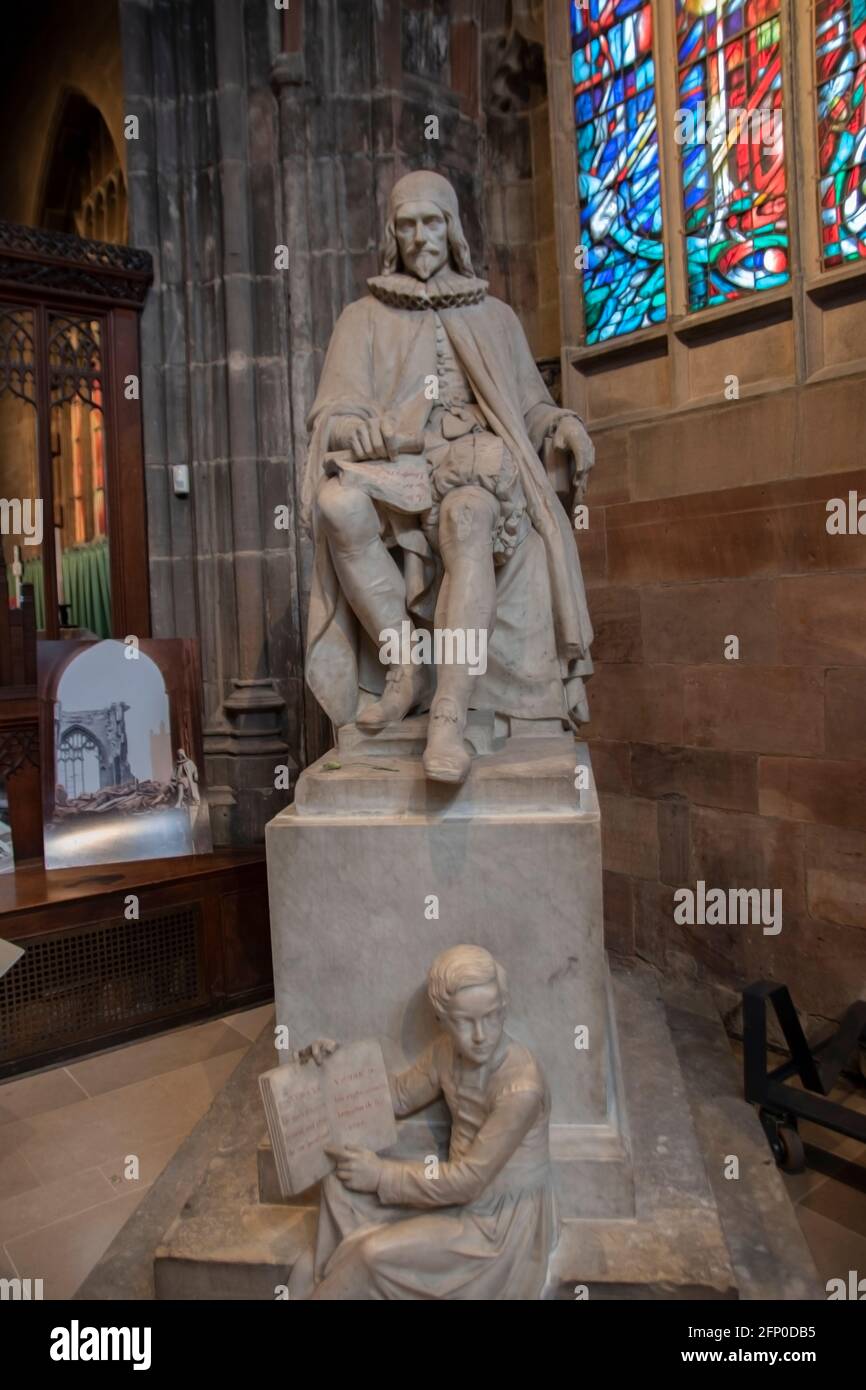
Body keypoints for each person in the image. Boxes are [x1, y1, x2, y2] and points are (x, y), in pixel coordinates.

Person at [303, 169, 595, 783]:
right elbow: (331, 412)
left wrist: (561, 425)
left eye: (430, 221)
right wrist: (354, 426)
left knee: (469, 518)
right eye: (405, 224)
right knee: (335, 503)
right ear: (393, 234)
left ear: (452, 227)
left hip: (476, 468)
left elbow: (528, 405)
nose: (419, 236)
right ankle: (404, 666)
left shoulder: (494, 315)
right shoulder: (362, 317)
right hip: (396, 467)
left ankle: (449, 719)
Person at [288, 945, 558, 1301]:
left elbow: (469, 1182)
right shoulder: (447, 1052)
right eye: (465, 1021)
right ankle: (336, 1275)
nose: (480, 1035)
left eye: (491, 1017)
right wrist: (332, 1066)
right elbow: (397, 1097)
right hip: (456, 1192)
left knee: (373, 1255)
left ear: (504, 1009)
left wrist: (382, 1175)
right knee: (340, 1182)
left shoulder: (521, 1087)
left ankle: (338, 1282)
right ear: (442, 1020)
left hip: (495, 1224)